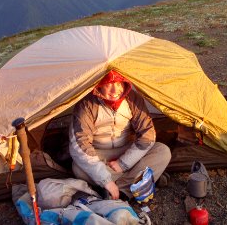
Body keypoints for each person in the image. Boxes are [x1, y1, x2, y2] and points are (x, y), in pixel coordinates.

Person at [69, 70, 171, 200]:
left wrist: (123, 163)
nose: (115, 90)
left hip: (127, 149)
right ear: (99, 84)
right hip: (99, 153)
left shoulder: (133, 98)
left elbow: (148, 134)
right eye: (108, 84)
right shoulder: (86, 104)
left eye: (119, 84)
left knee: (162, 151)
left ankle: (121, 191)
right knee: (78, 168)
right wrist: (106, 180)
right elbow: (80, 143)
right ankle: (140, 179)